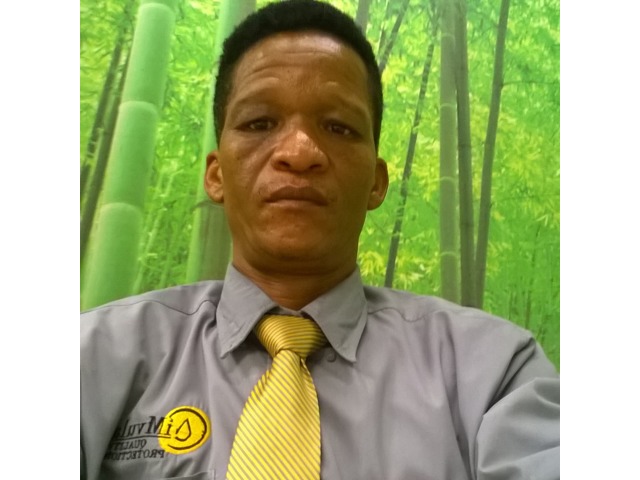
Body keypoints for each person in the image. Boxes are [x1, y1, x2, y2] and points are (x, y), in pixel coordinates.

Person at [80, 1, 560, 479]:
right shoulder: (97, 355)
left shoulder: (492, 371)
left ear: (376, 183)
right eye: (259, 123)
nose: (299, 151)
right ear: (216, 174)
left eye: (338, 127)